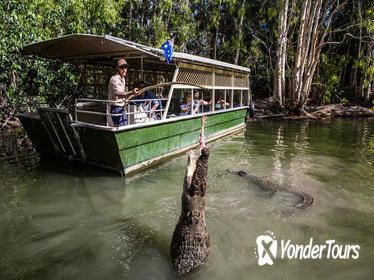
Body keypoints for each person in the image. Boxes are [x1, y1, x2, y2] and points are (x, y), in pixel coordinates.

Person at [107, 59, 138, 127]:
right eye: (122, 67)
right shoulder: (115, 79)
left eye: (125, 67)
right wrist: (132, 92)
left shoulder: (123, 78)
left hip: (121, 107)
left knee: (125, 126)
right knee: (120, 127)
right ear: (117, 68)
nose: (124, 69)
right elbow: (119, 94)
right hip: (115, 107)